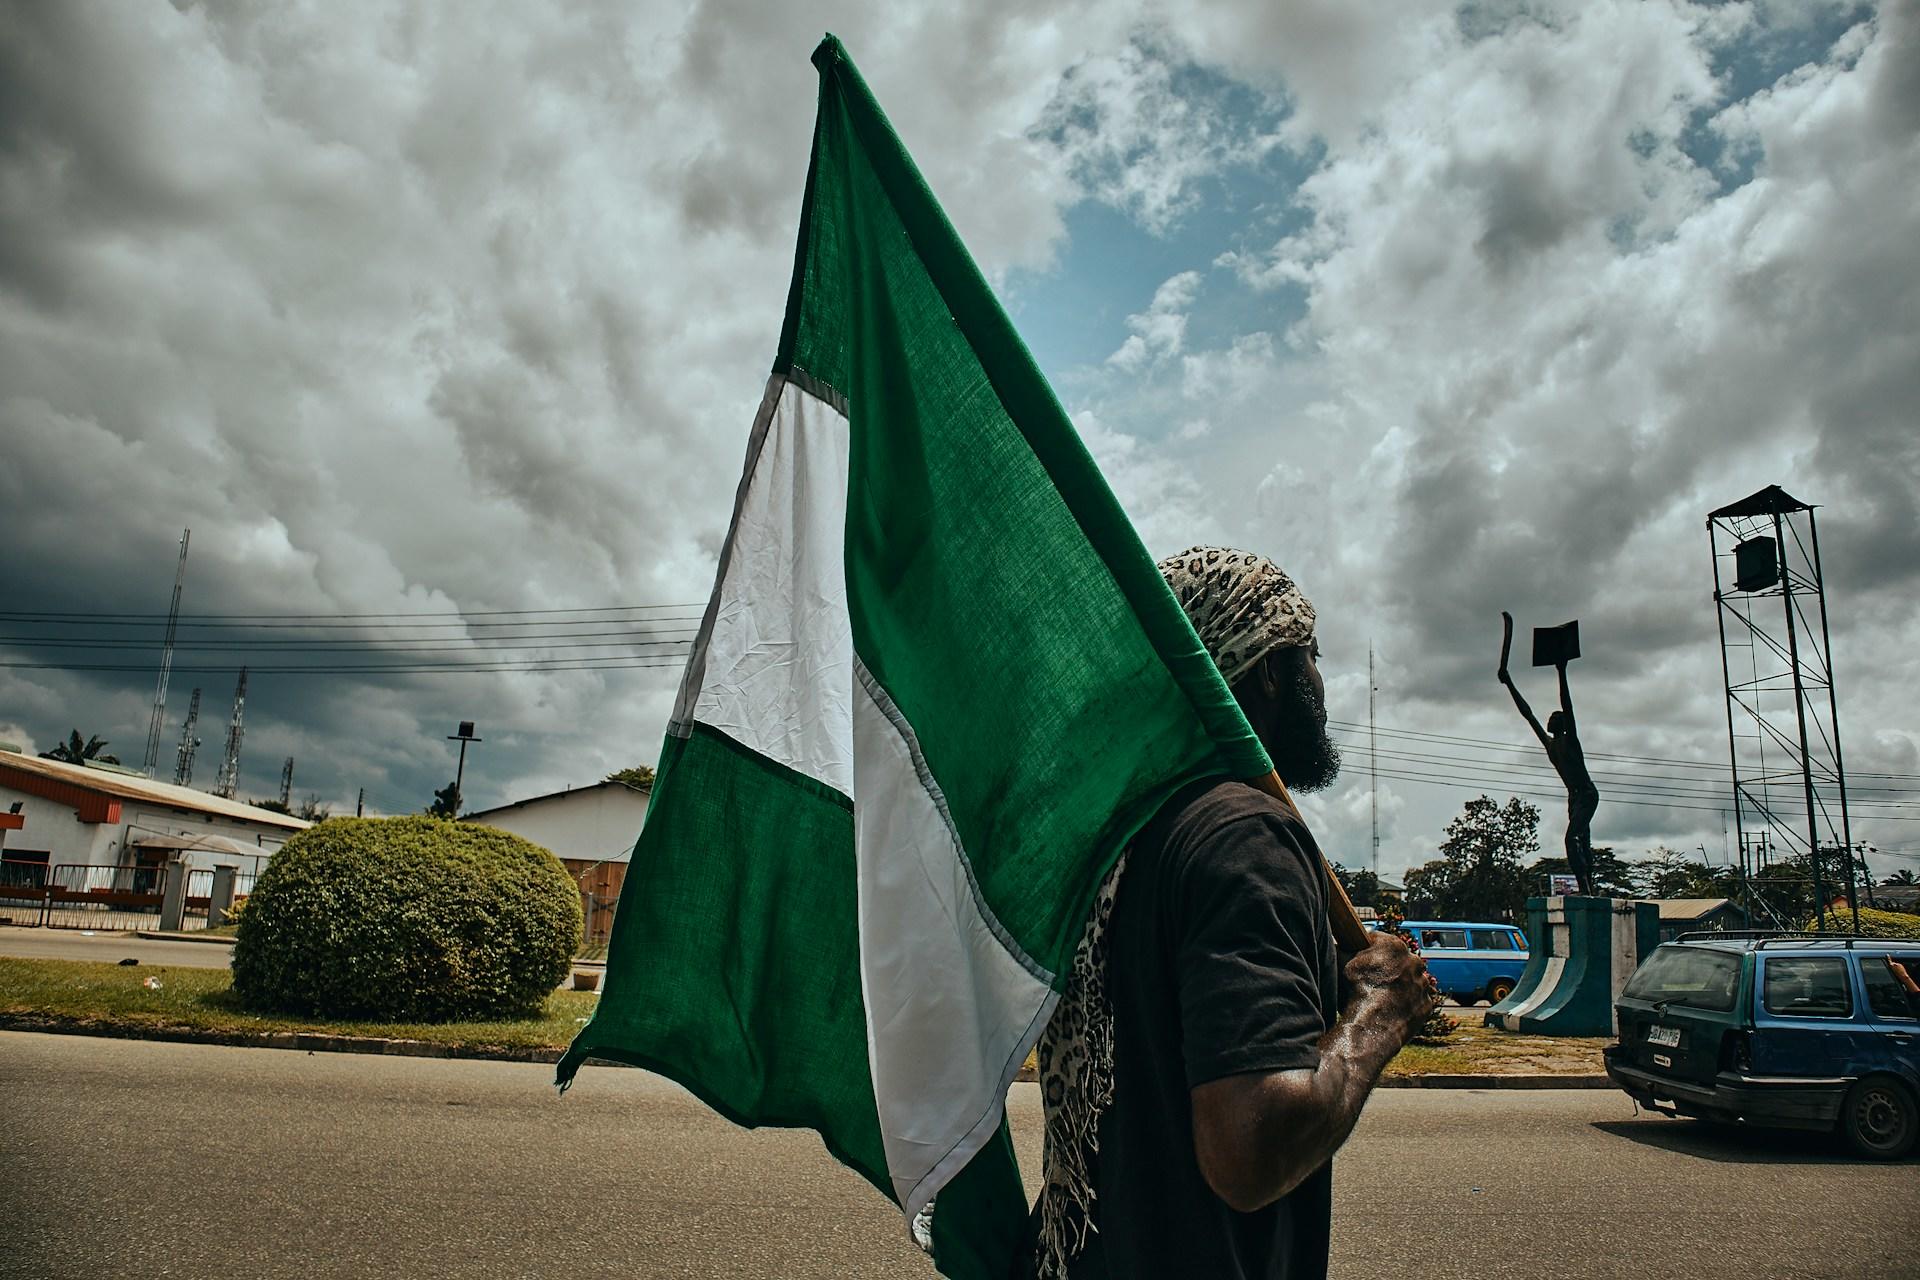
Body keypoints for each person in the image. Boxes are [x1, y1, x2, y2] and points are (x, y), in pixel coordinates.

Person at [1026, 546, 1440, 1280]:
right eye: (1310, 654)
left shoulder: (1120, 835)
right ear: (1271, 670)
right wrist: (1381, 1013)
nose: (1320, 679)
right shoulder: (1245, 836)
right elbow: (1249, 1150)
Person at [1497, 615, 1600, 895]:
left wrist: (1561, 671)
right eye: (1552, 716)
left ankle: (1585, 888)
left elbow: (1566, 702)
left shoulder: (1571, 741)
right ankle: (1589, 885)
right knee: (1583, 841)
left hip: (1587, 793)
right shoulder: (1550, 744)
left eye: (1556, 716)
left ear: (1564, 723)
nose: (1551, 717)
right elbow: (1527, 713)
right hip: (1574, 796)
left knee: (1572, 839)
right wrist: (1509, 684)